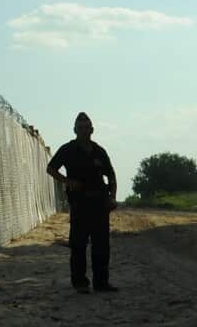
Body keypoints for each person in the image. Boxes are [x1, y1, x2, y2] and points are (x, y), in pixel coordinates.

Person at [46, 112, 118, 294]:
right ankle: (80, 283)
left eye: (87, 128)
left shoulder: (99, 151)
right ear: (75, 130)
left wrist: (112, 197)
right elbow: (51, 168)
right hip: (80, 204)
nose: (84, 131)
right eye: (80, 128)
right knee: (78, 245)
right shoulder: (68, 150)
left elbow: (111, 176)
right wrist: (67, 181)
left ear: (92, 130)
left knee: (101, 245)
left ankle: (101, 283)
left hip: (100, 204)